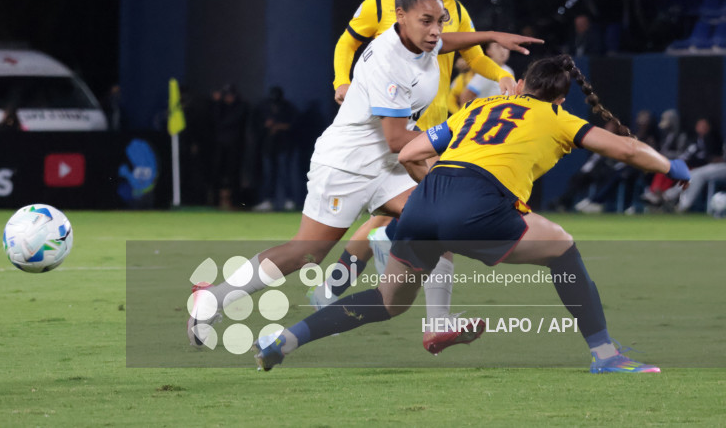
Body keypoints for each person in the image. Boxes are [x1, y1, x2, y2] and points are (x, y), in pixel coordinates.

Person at [254, 54, 690, 374]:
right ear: (559, 98)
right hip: (478, 204)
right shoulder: (557, 118)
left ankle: (286, 338)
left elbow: (410, 150)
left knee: (387, 302)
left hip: (427, 201)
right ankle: (605, 355)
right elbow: (628, 149)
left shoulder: (478, 107)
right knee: (562, 247)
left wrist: (436, 200)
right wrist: (673, 167)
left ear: (520, 82)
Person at [187, 0, 542, 347]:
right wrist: (461, 138)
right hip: (347, 165)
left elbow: (448, 42)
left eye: (440, 20)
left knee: (437, 222)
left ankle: (436, 324)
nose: (436, 31)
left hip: (386, 165)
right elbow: (396, 138)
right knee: (306, 254)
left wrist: (489, 34)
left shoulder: (419, 38)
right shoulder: (388, 62)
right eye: (427, 21)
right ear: (400, 17)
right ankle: (213, 298)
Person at [315, 0, 518, 345]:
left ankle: (334, 288)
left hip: (438, 123)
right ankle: (343, 289)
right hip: (395, 128)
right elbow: (346, 42)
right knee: (409, 218)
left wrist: (503, 75)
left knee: (400, 219)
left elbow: (473, 55)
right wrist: (341, 80)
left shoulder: (452, 10)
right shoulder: (380, 5)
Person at [252, 86, 298, 212]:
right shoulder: (263, 107)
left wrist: (278, 126)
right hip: (268, 146)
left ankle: (289, 200)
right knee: (268, 174)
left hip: (283, 146)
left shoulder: (288, 107)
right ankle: (267, 200)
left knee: (285, 174)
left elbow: (293, 125)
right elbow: (256, 125)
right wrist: (266, 126)